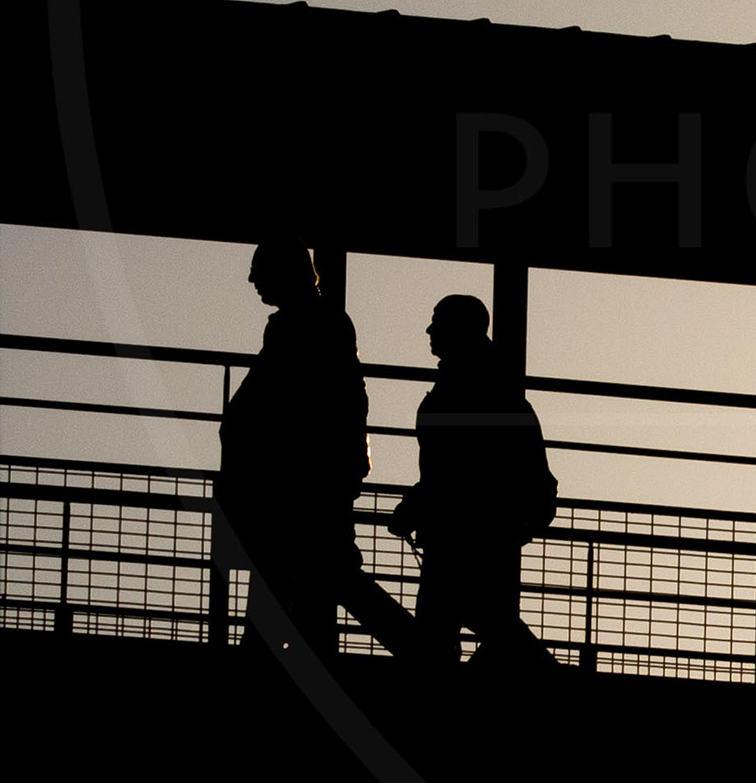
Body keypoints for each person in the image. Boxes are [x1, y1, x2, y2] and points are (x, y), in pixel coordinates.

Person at [219, 243, 435, 665]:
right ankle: (397, 651)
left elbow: (282, 399)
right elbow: (346, 398)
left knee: (307, 572)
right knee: (316, 574)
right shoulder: (319, 322)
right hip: (316, 473)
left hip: (303, 477)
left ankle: (416, 651)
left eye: (259, 271)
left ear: (284, 273)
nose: (252, 281)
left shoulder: (301, 327)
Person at [391, 294, 562, 674]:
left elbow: (455, 468)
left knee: (452, 626)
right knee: (486, 623)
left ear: (458, 329)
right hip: (487, 530)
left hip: (462, 532)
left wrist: (416, 506)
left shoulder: (462, 386)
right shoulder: (491, 384)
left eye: (438, 322)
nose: (430, 330)